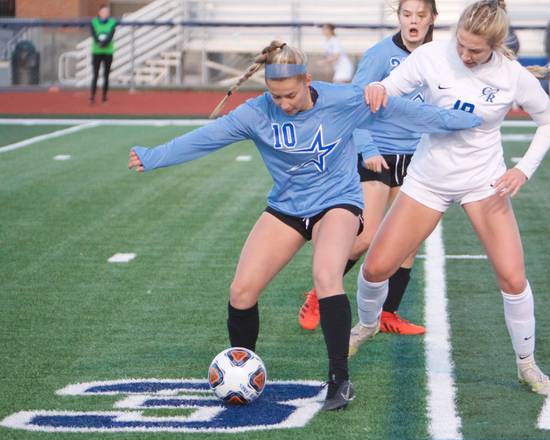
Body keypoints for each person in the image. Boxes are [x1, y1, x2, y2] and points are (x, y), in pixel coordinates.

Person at [127, 41, 481, 411]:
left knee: (327, 275)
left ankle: (339, 380)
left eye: (290, 95)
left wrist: (469, 120)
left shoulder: (343, 100)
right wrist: (154, 157)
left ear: (308, 80)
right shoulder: (256, 113)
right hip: (288, 207)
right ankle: (242, 367)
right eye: (275, 96)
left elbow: (405, 112)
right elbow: (206, 139)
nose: (283, 104)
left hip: (338, 202)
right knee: (241, 291)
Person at [351, 0, 550, 395]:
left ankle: (528, 365)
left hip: (483, 182)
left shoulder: (512, 76)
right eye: (461, 45)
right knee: (376, 268)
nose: (465, 55)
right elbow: (390, 88)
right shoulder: (432, 55)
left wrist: (522, 168)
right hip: (428, 179)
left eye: (475, 51)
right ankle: (365, 324)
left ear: (495, 45)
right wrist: (378, 88)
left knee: (513, 277)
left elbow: (549, 120)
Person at [298, 0, 438, 337]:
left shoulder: (440, 57)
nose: (413, 21)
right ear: (398, 17)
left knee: (408, 242)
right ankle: (318, 292)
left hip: (417, 158)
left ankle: (389, 313)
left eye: (421, 15)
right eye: (407, 15)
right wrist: (369, 149)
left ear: (433, 18)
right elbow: (354, 103)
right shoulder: (379, 55)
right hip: (379, 155)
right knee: (367, 236)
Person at [89, 4, 117, 103]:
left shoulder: (112, 22)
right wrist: (99, 43)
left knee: (106, 75)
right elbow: (93, 34)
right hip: (97, 51)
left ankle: (104, 97)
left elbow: (111, 35)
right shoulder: (94, 22)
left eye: (107, 11)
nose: (105, 13)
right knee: (95, 74)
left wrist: (104, 43)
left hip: (108, 52)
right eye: (103, 11)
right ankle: (92, 96)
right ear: (99, 12)